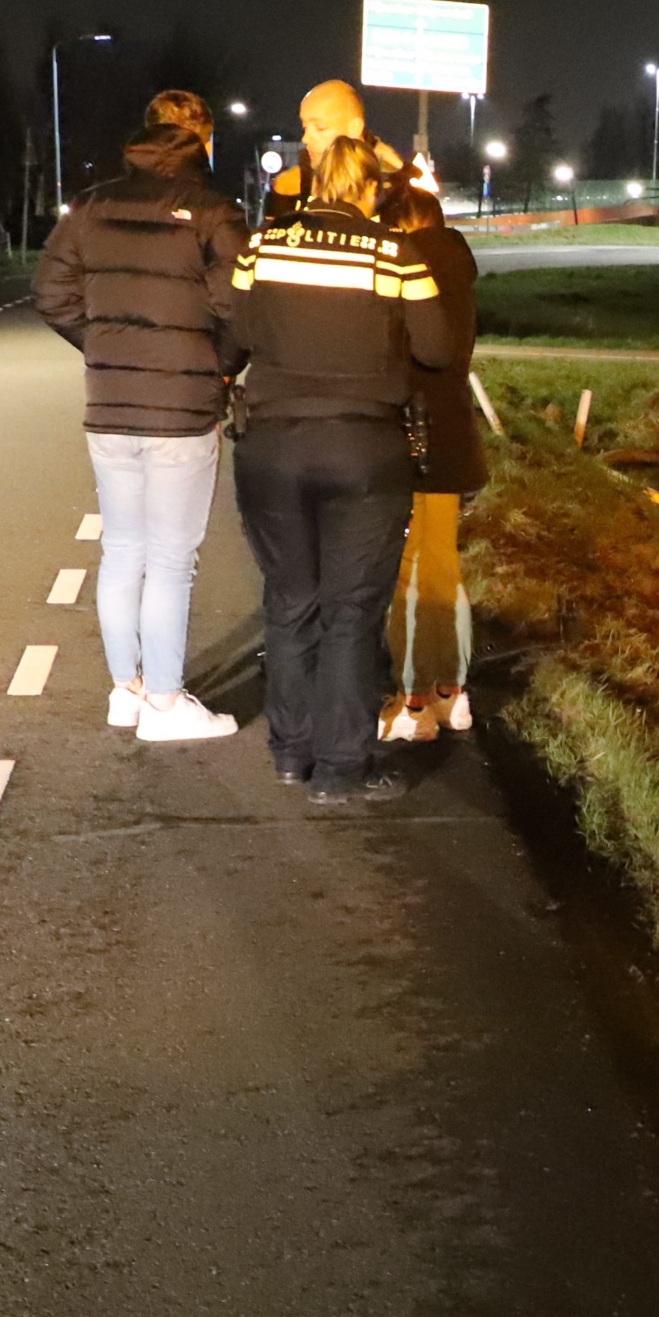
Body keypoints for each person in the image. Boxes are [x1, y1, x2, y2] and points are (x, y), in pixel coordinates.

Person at [225, 134, 454, 804]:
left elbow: (233, 336)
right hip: (364, 450)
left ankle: (290, 755)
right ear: (369, 190)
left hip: (271, 447)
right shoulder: (395, 254)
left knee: (290, 601)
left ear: (314, 182)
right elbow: (437, 350)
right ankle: (340, 768)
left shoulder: (261, 247)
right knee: (352, 612)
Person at [32, 89, 246, 742]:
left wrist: (104, 345)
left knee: (122, 548)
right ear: (201, 139)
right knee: (172, 557)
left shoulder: (92, 205)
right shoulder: (213, 212)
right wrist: (219, 365)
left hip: (110, 405)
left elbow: (50, 293)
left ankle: (126, 688)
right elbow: (242, 304)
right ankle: (163, 701)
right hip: (182, 409)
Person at [373, 184, 488, 740]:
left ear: (402, 228)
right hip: (451, 436)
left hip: (410, 438)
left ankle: (413, 703)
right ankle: (452, 692)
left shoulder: (410, 273)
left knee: (408, 570)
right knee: (443, 563)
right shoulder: (457, 267)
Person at [263, 79, 412, 223]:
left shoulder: (394, 190)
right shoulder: (290, 186)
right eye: (304, 127)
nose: (305, 139)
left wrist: (402, 172)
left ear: (354, 128)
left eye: (320, 128)